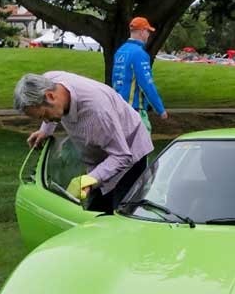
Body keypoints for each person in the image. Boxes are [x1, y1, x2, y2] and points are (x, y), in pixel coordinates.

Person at [14, 71, 154, 212]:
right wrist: (45, 131)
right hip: (101, 157)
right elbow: (47, 107)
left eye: (44, 115)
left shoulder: (97, 112)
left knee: (122, 215)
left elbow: (122, 156)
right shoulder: (49, 81)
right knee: (94, 214)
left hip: (130, 155)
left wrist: (91, 178)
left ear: (50, 96)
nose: (46, 120)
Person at [111, 16, 168, 134]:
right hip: (134, 110)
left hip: (117, 108)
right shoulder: (139, 54)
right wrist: (160, 109)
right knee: (142, 147)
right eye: (148, 31)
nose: (148, 35)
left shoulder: (120, 51)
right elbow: (147, 84)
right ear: (142, 31)